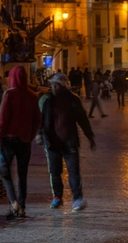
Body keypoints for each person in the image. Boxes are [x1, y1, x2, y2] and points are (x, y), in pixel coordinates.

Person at [40, 73, 96, 211]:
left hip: (69, 142)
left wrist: (90, 136)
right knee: (54, 171)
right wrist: (40, 134)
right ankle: (57, 197)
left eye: (55, 84)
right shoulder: (49, 101)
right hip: (52, 143)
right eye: (51, 84)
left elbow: (82, 119)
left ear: (61, 85)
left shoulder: (73, 100)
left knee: (73, 172)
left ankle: (77, 198)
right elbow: (43, 121)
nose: (52, 87)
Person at [0, 66, 42, 220]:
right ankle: (22, 206)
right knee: (23, 174)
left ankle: (13, 201)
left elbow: (3, 119)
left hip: (9, 139)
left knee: (5, 171)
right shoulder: (32, 96)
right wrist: (31, 135)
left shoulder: (9, 94)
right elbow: (37, 120)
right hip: (24, 141)